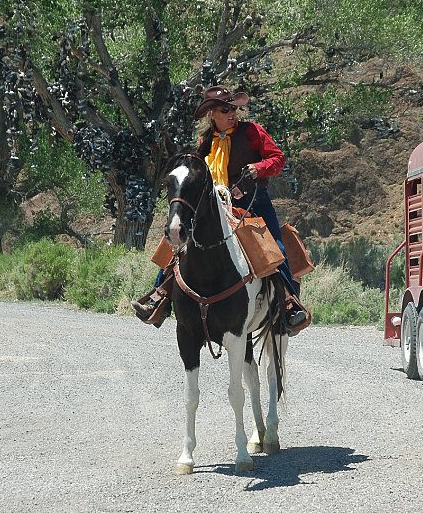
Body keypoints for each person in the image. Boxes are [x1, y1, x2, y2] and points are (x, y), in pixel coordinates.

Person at [131, 85, 310, 332]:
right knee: (176, 238)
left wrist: (258, 169)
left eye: (233, 109)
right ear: (212, 114)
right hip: (216, 204)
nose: (232, 114)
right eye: (225, 109)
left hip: (252, 202)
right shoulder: (204, 141)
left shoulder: (252, 132)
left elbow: (277, 158)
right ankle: (161, 294)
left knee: (276, 248)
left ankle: (289, 304)